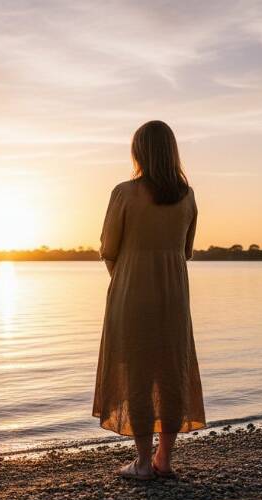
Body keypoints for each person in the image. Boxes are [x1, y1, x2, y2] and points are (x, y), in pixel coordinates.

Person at [93, 120, 206, 480]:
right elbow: (185, 252)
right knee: (172, 370)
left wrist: (126, 275)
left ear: (138, 152)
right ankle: (164, 460)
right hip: (174, 294)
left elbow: (108, 249)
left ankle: (142, 462)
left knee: (137, 375)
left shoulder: (124, 193)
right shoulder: (187, 196)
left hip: (131, 293)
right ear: (172, 152)